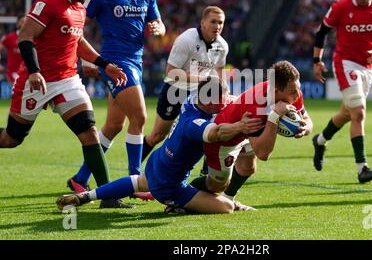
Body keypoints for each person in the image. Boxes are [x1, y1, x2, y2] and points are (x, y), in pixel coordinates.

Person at [0, 0, 130, 208]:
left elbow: (78, 42)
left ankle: (108, 196)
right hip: (36, 81)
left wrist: (105, 64)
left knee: (89, 133)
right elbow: (25, 37)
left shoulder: (80, 7)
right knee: (11, 139)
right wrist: (35, 71)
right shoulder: (48, 2)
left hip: (68, 79)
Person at [56, 76, 264, 214]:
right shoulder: (193, 124)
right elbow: (217, 132)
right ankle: (178, 206)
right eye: (220, 100)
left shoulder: (193, 99)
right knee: (226, 207)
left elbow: (221, 101)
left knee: (139, 182)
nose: (224, 103)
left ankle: (85, 196)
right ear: (208, 101)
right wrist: (240, 125)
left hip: (158, 163)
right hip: (170, 186)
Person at [68, 0, 166, 195]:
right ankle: (135, 180)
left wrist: (158, 28)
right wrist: (88, 59)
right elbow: (79, 23)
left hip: (136, 62)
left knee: (113, 125)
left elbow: (160, 24)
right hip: (115, 63)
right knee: (141, 118)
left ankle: (80, 178)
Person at [190, 60, 313, 209]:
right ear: (276, 91)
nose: (297, 94)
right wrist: (274, 116)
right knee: (217, 184)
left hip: (245, 132)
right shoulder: (257, 106)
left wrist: (305, 127)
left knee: (247, 167)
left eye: (298, 89)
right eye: (293, 91)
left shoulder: (291, 91)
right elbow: (263, 153)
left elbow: (307, 119)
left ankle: (228, 199)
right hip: (224, 138)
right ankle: (181, 197)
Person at [311, 0, 372, 183]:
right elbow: (322, 32)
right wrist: (317, 61)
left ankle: (320, 140)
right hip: (345, 63)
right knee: (359, 112)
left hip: (368, 67)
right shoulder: (341, 7)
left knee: (347, 114)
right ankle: (362, 167)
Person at [140, 6, 229, 173]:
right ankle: (134, 169)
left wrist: (224, 91)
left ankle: (207, 172)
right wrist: (204, 79)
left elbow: (220, 71)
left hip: (200, 95)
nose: (217, 26)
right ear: (202, 23)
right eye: (213, 22)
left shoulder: (222, 46)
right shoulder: (187, 39)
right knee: (157, 136)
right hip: (176, 90)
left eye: (221, 23)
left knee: (210, 130)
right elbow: (171, 72)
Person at [0, 15, 25, 86]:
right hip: (13, 71)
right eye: (23, 21)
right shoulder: (10, 37)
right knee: (18, 91)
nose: (25, 23)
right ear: (18, 24)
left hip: (27, 71)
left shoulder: (32, 37)